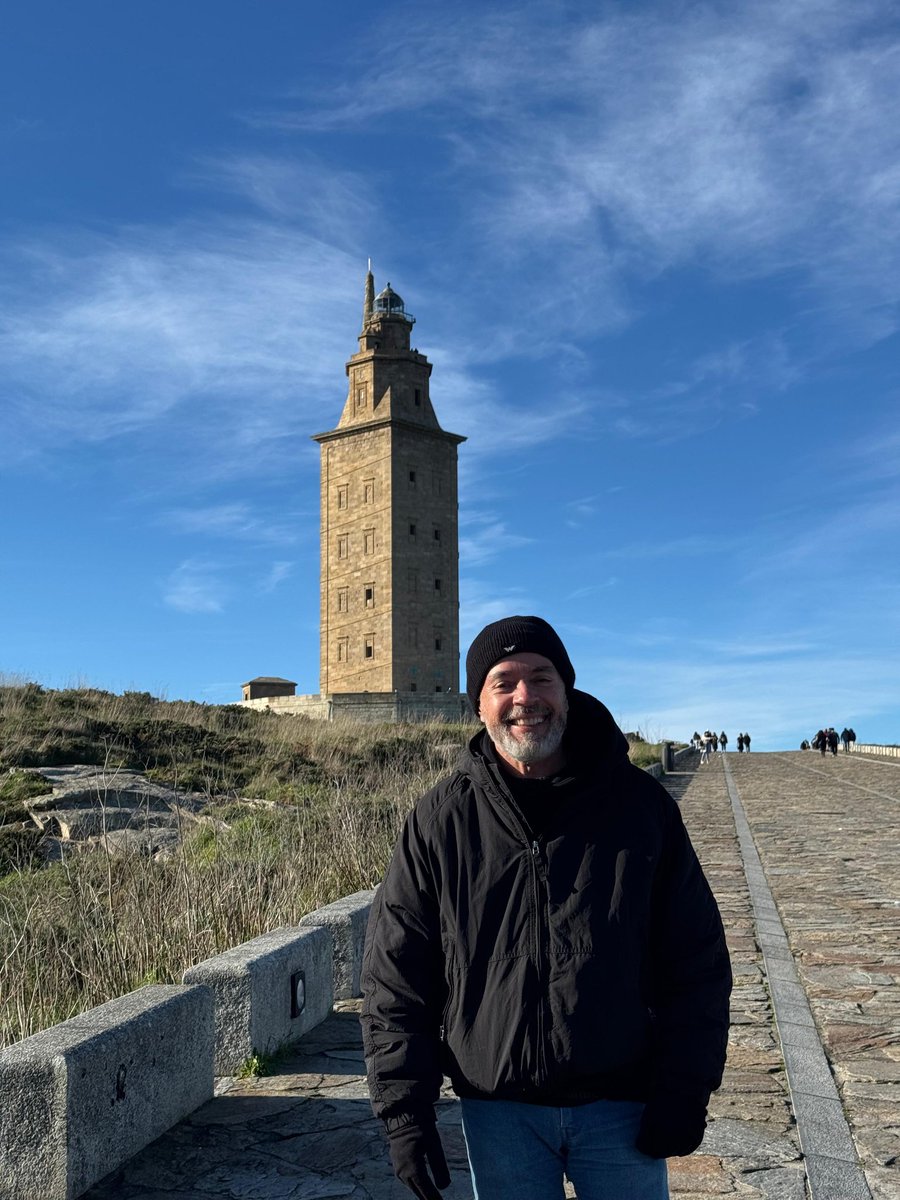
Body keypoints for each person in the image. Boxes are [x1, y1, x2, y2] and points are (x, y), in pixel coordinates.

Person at [362, 616, 732, 1200]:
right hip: (498, 1110)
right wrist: (404, 1113)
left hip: (623, 1108)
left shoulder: (642, 808)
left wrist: (685, 1088)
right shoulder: (439, 821)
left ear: (568, 689)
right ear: (478, 705)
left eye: (542, 678)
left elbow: (698, 961)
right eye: (503, 682)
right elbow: (397, 977)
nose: (525, 698)